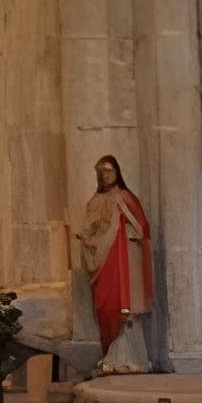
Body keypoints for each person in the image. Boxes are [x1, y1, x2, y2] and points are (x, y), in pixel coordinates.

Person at [77, 154, 153, 364]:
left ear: (118, 173)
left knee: (122, 307)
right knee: (104, 307)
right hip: (101, 262)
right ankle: (108, 357)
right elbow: (88, 230)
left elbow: (142, 229)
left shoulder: (126, 198)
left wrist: (123, 226)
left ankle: (128, 360)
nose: (106, 176)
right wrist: (87, 236)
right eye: (102, 172)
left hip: (121, 262)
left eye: (109, 171)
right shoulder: (94, 201)